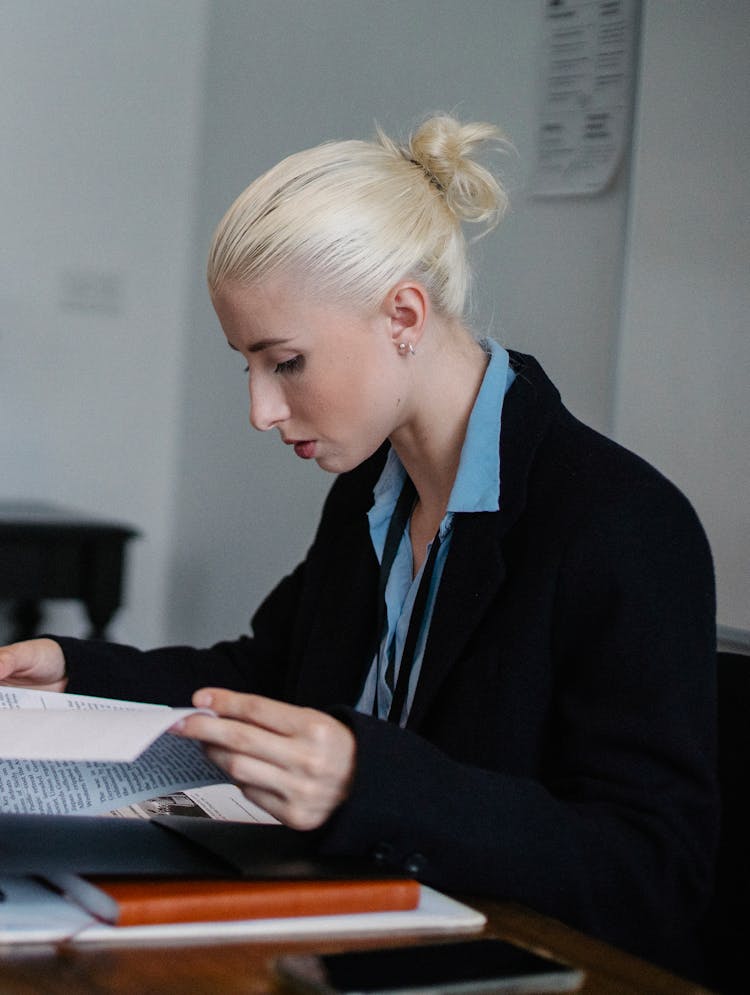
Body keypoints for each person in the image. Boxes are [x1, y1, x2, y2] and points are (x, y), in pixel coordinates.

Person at [0, 115, 718, 979]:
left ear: (404, 313)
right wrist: (72, 671)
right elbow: (271, 670)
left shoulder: (621, 521)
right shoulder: (372, 491)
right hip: (362, 934)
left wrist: (365, 784)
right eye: (249, 367)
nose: (262, 410)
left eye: (287, 362)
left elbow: (653, 873)